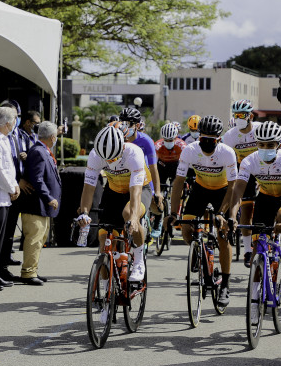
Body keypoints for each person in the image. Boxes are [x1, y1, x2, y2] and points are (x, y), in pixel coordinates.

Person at [168, 115, 237, 306]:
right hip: (200, 190)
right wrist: (173, 213)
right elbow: (179, 182)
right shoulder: (189, 150)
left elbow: (233, 187)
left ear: (219, 139)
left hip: (223, 191)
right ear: (198, 137)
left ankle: (225, 285)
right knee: (186, 230)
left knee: (223, 236)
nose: (206, 143)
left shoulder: (227, 153)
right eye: (203, 139)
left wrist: (222, 213)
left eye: (211, 140)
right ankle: (200, 252)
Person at [77, 125, 151, 282]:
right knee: (104, 240)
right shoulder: (95, 155)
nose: (110, 162)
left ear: (122, 147)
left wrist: (134, 218)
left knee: (129, 214)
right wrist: (84, 213)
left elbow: (135, 191)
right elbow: (88, 188)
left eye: (113, 158)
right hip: (114, 191)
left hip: (139, 189)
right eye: (106, 159)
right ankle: (106, 288)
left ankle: (139, 261)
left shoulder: (134, 153)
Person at [228, 121, 281, 282]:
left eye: (270, 145)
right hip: (265, 198)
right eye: (261, 144)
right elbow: (238, 190)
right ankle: (254, 291)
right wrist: (232, 216)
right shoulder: (249, 161)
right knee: (257, 249)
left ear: (279, 145)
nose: (265, 148)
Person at [0, 106, 28, 286]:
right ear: (7, 123)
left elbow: (9, 168)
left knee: (0, 240)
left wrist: (14, 185)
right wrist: (12, 187)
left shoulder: (3, 138)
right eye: (14, 120)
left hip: (5, 196)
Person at [20, 121, 61, 284]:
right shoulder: (38, 151)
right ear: (52, 137)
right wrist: (49, 197)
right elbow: (37, 179)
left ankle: (33, 270)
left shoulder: (43, 150)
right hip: (36, 205)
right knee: (34, 238)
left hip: (41, 206)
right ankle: (28, 273)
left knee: (39, 239)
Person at [222, 99, 261, 267]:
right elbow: (227, 160)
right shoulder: (230, 136)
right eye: (236, 115)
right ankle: (247, 250)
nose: (238, 118)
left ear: (250, 116)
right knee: (247, 210)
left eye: (242, 115)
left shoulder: (259, 129)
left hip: (262, 168)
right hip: (243, 170)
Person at [151, 122, 185, 237]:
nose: (168, 142)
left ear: (176, 138)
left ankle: (176, 212)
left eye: (171, 140)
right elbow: (152, 165)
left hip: (176, 167)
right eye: (166, 140)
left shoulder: (182, 145)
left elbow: (187, 163)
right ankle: (157, 222)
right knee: (158, 194)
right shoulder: (157, 145)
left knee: (178, 188)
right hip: (162, 166)